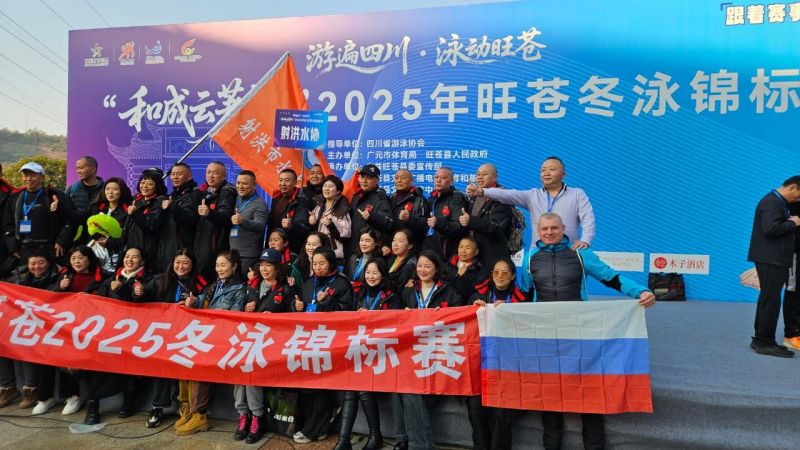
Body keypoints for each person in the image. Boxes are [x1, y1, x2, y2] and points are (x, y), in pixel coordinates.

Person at [521, 213, 655, 450]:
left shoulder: (580, 253)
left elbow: (612, 278)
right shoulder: (530, 257)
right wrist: (500, 307)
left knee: (589, 394)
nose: (549, 232)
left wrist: (640, 291)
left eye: (554, 228)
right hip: (545, 335)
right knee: (550, 395)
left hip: (579, 334)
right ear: (538, 231)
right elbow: (525, 293)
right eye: (544, 229)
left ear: (564, 228)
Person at [136, 248, 207, 429]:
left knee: (183, 370)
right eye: (178, 262)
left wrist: (195, 304)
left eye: (185, 263)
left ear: (192, 265)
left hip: (186, 334)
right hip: (162, 334)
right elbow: (141, 298)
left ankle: (184, 407)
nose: (181, 266)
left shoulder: (200, 282)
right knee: (161, 369)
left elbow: (206, 304)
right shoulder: (161, 279)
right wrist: (138, 292)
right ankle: (157, 407)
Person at [333, 258, 397, 450]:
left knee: (359, 387)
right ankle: (345, 440)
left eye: (375, 273)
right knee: (352, 387)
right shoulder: (358, 293)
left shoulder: (392, 296)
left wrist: (372, 317)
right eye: (368, 272)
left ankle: (371, 437)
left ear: (383, 275)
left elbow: (396, 324)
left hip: (382, 352)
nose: (371, 276)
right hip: (359, 351)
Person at [181, 249, 247, 435]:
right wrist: (194, 301)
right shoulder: (214, 285)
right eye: (217, 265)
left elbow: (235, 315)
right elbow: (203, 300)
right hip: (206, 335)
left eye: (223, 265)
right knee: (182, 361)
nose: (219, 269)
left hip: (222, 339)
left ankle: (199, 415)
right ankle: (186, 408)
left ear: (234, 266)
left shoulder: (240, 288)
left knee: (199, 367)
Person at [292, 247, 354, 444]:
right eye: (315, 263)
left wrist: (327, 301)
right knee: (306, 386)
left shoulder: (342, 283)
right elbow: (300, 307)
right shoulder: (308, 283)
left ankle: (314, 428)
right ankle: (315, 426)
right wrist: (297, 307)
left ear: (331, 263)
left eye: (322, 263)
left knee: (321, 386)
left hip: (329, 340)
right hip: (307, 339)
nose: (317, 267)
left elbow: (347, 311)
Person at [468, 156, 595, 250]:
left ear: (563, 174)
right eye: (543, 170)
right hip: (538, 254)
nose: (546, 173)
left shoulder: (577, 194)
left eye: (551, 169)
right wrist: (481, 191)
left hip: (568, 252)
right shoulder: (532, 195)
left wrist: (585, 240)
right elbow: (508, 194)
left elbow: (588, 219)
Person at [235, 248, 295, 444]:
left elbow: (294, 318)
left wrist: (276, 318)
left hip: (271, 343)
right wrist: (245, 309)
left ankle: (257, 417)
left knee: (251, 372)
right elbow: (238, 313)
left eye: (268, 265)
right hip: (248, 340)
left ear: (277, 268)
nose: (264, 269)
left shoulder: (286, 289)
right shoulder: (251, 286)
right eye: (261, 265)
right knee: (238, 372)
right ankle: (243, 415)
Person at [467, 257, 527, 450]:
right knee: (475, 408)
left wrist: (510, 313)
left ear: (512, 276)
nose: (500, 276)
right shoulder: (478, 296)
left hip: (509, 367)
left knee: (501, 412)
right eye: (496, 272)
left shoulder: (522, 300)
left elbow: (527, 332)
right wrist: (472, 311)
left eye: (504, 272)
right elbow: (465, 329)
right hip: (482, 365)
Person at [2, 249, 61, 413]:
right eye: (32, 263)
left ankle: (31, 388)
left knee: (27, 345)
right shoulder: (18, 276)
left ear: (48, 262)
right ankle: (7, 387)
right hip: (20, 320)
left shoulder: (59, 276)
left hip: (47, 324)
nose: (36, 267)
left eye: (41, 262)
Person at [747, 176, 800, 357]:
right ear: (792, 187)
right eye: (799, 194)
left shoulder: (777, 202)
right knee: (771, 301)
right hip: (771, 259)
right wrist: (793, 222)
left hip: (773, 258)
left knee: (768, 300)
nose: (798, 199)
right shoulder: (772, 202)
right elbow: (770, 229)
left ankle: (761, 339)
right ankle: (765, 342)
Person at [3, 161, 77, 264]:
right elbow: (7, 224)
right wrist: (13, 247)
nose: (29, 178)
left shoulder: (54, 195)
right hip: (25, 249)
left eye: (33, 175)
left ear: (42, 177)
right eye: (25, 175)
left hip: (51, 248)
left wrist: (62, 241)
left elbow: (70, 220)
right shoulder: (15, 197)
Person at [460, 163, 513, 266]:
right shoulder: (474, 194)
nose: (480, 177)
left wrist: (470, 221)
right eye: (478, 174)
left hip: (492, 255)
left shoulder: (502, 196)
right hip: (473, 255)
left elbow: (496, 227)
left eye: (484, 174)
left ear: (494, 178)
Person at [194, 161, 236, 281]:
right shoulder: (205, 192)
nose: (210, 176)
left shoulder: (227, 192)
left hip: (215, 247)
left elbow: (226, 217)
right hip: (201, 245)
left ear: (223, 176)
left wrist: (209, 213)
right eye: (208, 172)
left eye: (215, 173)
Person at [124, 168, 169, 272]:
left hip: (149, 253)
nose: (144, 186)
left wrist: (135, 213)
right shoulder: (137, 200)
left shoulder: (160, 201)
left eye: (149, 184)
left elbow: (151, 225)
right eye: (142, 182)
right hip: (133, 248)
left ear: (157, 186)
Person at [159, 163, 202, 267]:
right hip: (167, 248)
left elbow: (189, 221)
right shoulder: (172, 196)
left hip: (183, 250)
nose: (175, 177)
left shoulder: (194, 194)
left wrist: (172, 206)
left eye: (179, 174)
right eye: (173, 174)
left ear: (189, 176)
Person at [88, 177, 132, 273]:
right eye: (107, 189)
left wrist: (108, 242)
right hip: (95, 249)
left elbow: (125, 237)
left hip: (115, 253)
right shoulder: (97, 207)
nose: (110, 192)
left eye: (115, 189)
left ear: (122, 191)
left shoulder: (127, 211)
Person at [348, 164, 393, 258]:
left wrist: (371, 217)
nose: (364, 181)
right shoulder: (357, 196)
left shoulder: (381, 198)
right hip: (353, 249)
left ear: (377, 180)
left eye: (369, 178)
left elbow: (388, 222)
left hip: (371, 252)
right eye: (362, 177)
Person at [229, 170, 268, 274]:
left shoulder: (260, 204)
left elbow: (261, 225)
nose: (240, 186)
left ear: (254, 185)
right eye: (238, 183)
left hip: (248, 256)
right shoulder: (236, 199)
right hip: (233, 253)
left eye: (245, 183)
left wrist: (243, 221)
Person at [423, 167, 467, 259]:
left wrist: (438, 223)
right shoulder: (431, 199)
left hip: (446, 253)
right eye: (436, 177)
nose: (438, 180)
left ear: (452, 181)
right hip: (428, 249)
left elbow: (457, 227)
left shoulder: (457, 198)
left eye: (443, 178)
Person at [309, 174, 351, 262]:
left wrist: (330, 224)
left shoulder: (342, 209)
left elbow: (346, 235)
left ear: (338, 191)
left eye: (330, 186)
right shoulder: (319, 206)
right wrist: (312, 222)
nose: (326, 189)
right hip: (320, 252)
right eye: (325, 186)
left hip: (335, 255)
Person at [268, 168, 311, 254]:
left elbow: (304, 228)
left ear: (295, 182)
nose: (283, 183)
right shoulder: (274, 198)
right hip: (273, 247)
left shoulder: (301, 201)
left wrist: (291, 225)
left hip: (291, 249)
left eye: (287, 180)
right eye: (280, 180)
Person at [388, 169, 427, 253]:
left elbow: (424, 225)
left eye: (403, 178)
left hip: (411, 249)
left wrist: (409, 218)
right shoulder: (390, 199)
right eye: (396, 178)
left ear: (411, 181)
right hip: (391, 248)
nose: (399, 180)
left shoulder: (419, 200)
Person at [67, 156, 104, 243]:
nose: (78, 171)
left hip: (99, 238)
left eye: (81, 168)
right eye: (77, 168)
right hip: (76, 238)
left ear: (93, 168)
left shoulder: (106, 189)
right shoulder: (72, 189)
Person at [346, 227, 385, 295]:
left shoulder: (379, 261)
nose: (363, 244)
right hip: (351, 293)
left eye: (367, 241)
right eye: (361, 240)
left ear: (376, 243)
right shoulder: (354, 257)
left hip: (367, 295)